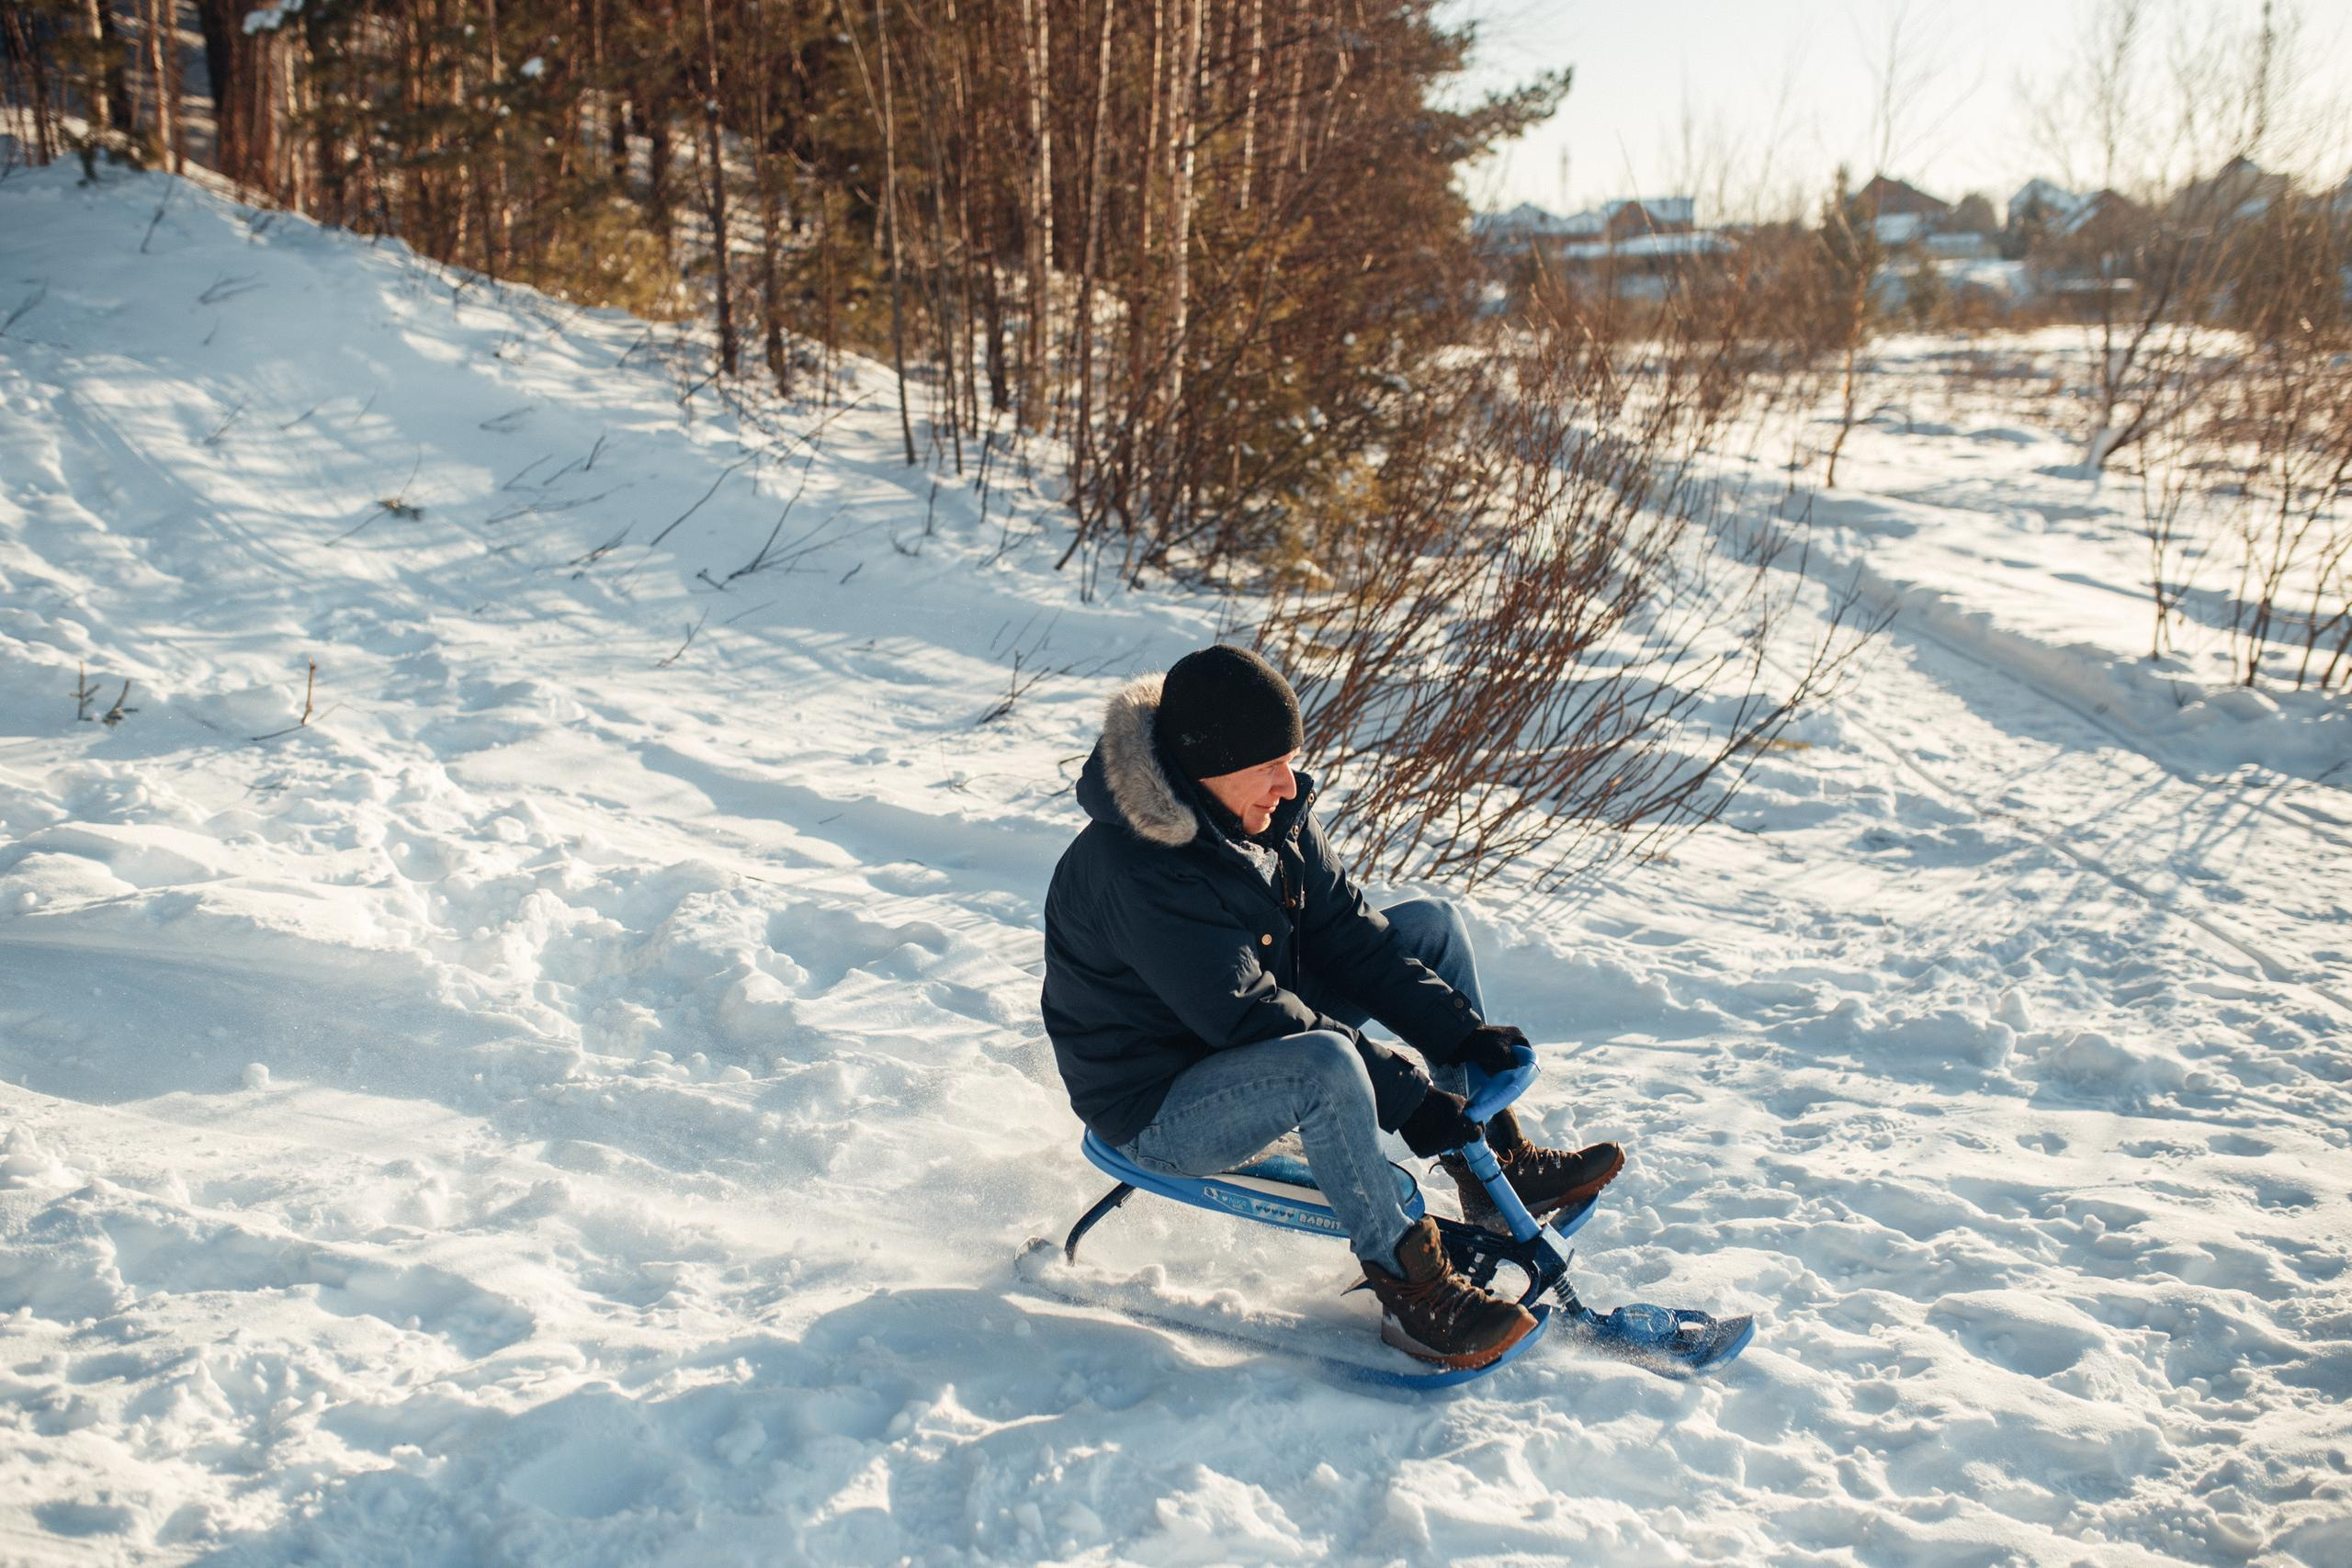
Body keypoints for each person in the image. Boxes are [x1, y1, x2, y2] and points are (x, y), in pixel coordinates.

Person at [1041, 644, 1623, 1369]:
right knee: (1324, 1062)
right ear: (1210, 765)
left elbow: (1349, 934)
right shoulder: (1137, 867)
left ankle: (1491, 1167)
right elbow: (1247, 1015)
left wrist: (1461, 1034)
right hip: (1159, 1103)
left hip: (1237, 1032)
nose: (1289, 783)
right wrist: (1410, 1098)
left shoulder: (1268, 816)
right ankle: (1414, 1293)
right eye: (1269, 765)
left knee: (1429, 928)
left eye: (1290, 760)